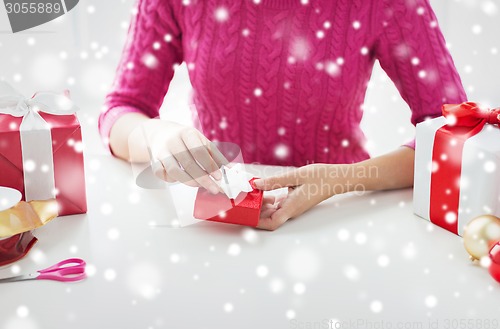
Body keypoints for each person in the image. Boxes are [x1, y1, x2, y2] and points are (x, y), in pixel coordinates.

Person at [99, 0, 466, 230]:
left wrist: (341, 179)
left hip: (342, 217)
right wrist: (156, 135)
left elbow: (456, 134)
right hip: (222, 224)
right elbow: (120, 111)